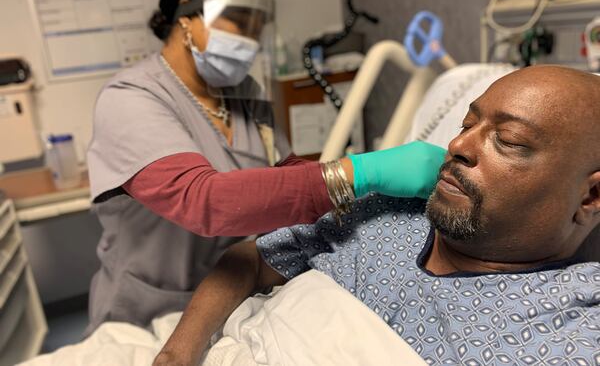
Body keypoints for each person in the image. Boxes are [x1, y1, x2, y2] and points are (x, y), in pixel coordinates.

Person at [85, 0, 446, 334]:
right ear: (186, 14)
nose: (250, 38)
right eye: (239, 20)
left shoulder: (245, 97)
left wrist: (363, 199)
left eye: (257, 26)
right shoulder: (130, 98)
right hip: (153, 311)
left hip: (237, 299)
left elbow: (285, 179)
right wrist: (361, 173)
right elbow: (205, 201)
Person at [154, 65, 600, 365]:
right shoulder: (386, 211)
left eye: (508, 140)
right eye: (467, 125)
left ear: (590, 196)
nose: (459, 146)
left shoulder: (570, 326)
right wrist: (175, 357)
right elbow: (251, 259)